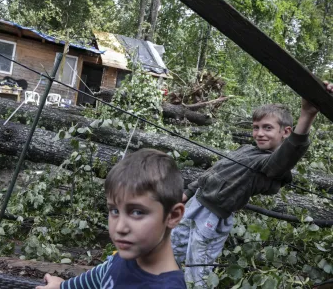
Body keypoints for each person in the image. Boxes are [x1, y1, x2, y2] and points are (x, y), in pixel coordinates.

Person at [172, 81, 333, 287]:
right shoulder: (246, 150)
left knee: (198, 268)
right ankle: (159, 280)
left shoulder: (268, 165)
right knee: (171, 246)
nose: (259, 133)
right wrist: (187, 193)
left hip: (213, 219)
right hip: (194, 204)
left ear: (285, 132)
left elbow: (287, 155)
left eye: (267, 128)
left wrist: (307, 114)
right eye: (256, 127)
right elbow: (212, 171)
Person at [36, 148, 187, 289]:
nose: (120, 228)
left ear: (173, 216)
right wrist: (64, 286)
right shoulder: (125, 256)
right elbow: (100, 276)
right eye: (114, 210)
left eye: (137, 212)